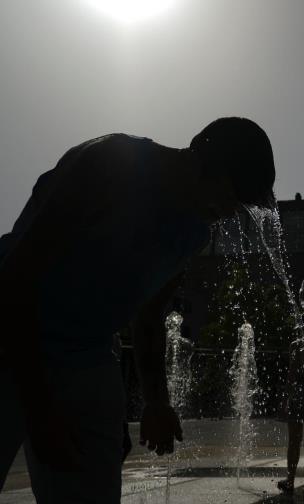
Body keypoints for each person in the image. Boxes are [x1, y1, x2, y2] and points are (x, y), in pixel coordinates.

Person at [0, 117, 276, 502]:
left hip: (87, 352)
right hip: (10, 328)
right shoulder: (110, 163)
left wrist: (156, 402)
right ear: (204, 161)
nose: (231, 212)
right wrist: (40, 408)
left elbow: (148, 318)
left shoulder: (194, 231)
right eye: (232, 196)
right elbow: (17, 279)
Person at [276, 335, 304, 502]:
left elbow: (292, 374)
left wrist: (286, 398)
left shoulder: (297, 344)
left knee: (294, 440)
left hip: (298, 397)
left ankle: (290, 481)